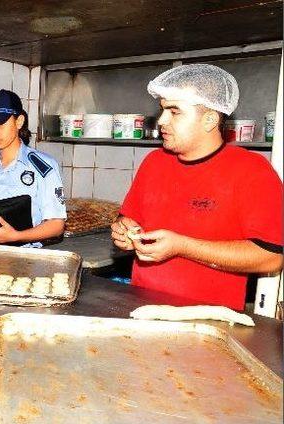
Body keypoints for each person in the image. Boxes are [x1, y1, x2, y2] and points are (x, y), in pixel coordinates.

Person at [111, 64, 283, 310]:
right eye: (162, 110)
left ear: (210, 119)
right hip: (142, 308)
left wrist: (182, 246)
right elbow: (127, 218)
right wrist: (124, 231)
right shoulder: (154, 162)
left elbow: (271, 258)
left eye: (174, 111)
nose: (161, 121)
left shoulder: (251, 171)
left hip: (208, 321)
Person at [0, 89, 66, 246]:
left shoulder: (43, 167)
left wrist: (16, 236)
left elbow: (56, 225)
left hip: (19, 262)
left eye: (0, 123)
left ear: (19, 121)